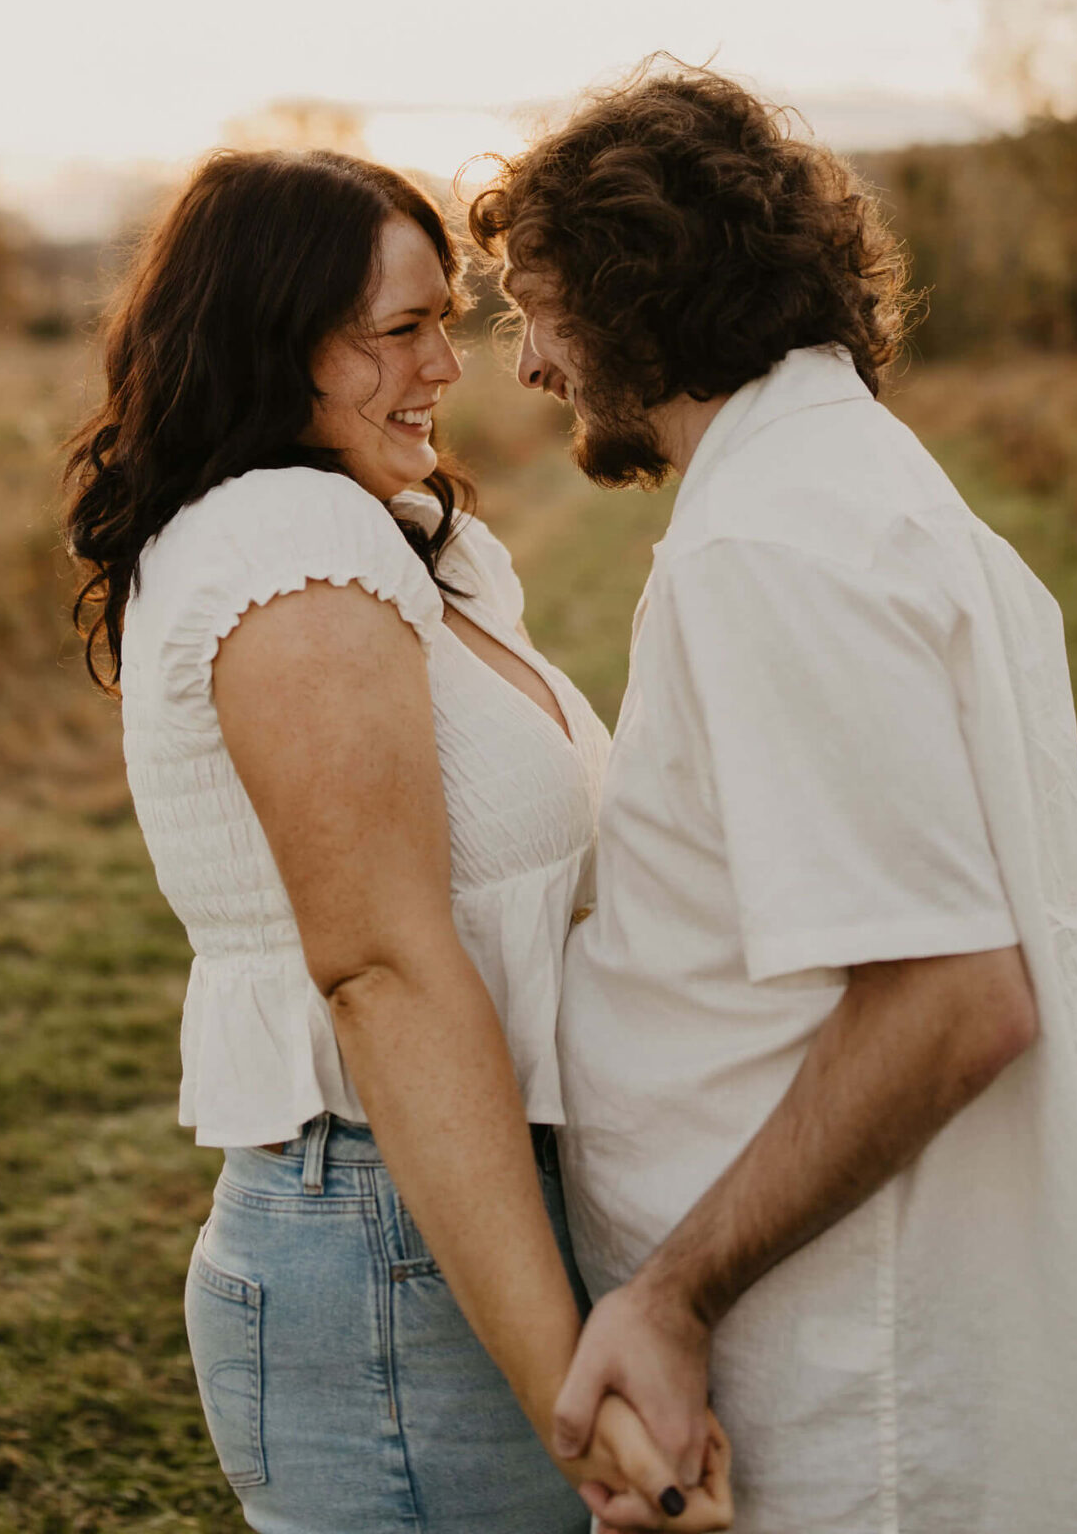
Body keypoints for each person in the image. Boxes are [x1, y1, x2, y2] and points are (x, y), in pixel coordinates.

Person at [468, 61, 1077, 1534]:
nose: (527, 361)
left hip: (853, 1392)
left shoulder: (771, 548)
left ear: (635, 282)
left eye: (536, 305)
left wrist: (671, 1291)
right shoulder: (874, 490)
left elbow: (962, 995)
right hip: (876, 1329)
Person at [62, 148, 731, 1534]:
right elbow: (384, 969)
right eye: (399, 331)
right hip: (394, 1251)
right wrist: (578, 1402)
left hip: (464, 1216)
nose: (448, 366)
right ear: (270, 341)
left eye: (449, 318)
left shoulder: (402, 539)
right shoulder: (286, 547)